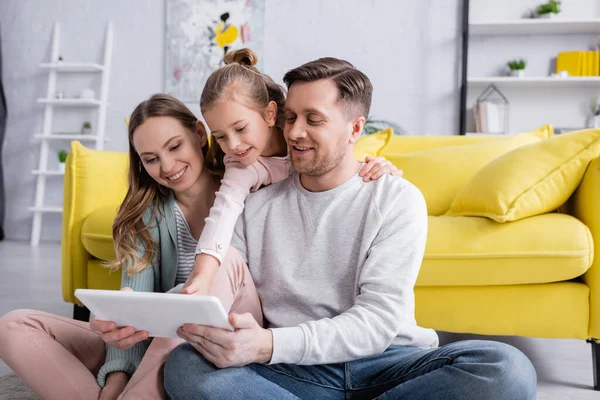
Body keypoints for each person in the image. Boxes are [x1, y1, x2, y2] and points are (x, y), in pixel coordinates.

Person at [164, 57, 538, 400]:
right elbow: (221, 285)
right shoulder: (255, 201)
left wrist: (267, 345)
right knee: (186, 366)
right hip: (293, 372)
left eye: (314, 119)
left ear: (355, 128)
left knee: (506, 370)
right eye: (291, 117)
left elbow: (376, 323)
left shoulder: (395, 198)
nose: (295, 132)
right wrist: (150, 316)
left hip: (389, 363)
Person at [0, 94, 264, 400]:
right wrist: (116, 376)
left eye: (174, 146)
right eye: (151, 159)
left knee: (185, 297)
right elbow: (135, 307)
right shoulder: (146, 216)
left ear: (199, 133)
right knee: (13, 326)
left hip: (228, 339)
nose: (167, 166)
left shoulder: (246, 192)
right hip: (157, 345)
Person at [182, 48, 400, 296]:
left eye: (241, 129)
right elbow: (223, 212)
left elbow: (338, 155)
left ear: (270, 114)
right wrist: (202, 274)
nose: (232, 146)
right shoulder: (242, 167)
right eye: (220, 137)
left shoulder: (302, 142)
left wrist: (379, 167)